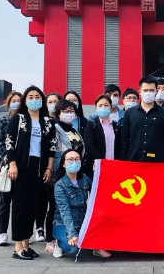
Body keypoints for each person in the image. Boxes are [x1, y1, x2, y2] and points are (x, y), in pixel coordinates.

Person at [6, 86, 56, 260]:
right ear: (25, 100)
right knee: (20, 207)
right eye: (30, 96)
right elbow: (9, 143)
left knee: (32, 206)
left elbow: (52, 147)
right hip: (21, 167)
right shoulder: (19, 118)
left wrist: (49, 168)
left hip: (39, 168)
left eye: (37, 96)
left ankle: (26, 244)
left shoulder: (47, 121)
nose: (34, 99)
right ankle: (18, 247)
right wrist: (12, 164)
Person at [53, 149, 111, 258]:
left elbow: (97, 190)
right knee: (72, 248)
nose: (74, 162)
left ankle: (94, 247)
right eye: (70, 160)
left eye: (77, 159)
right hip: (64, 224)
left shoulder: (84, 178)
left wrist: (96, 172)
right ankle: (58, 243)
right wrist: (72, 234)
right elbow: (65, 211)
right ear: (63, 164)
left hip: (82, 221)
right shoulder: (60, 185)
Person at [44, 99, 85, 253]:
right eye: (65, 111)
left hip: (73, 172)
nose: (69, 114)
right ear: (58, 112)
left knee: (69, 204)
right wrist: (51, 169)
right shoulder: (54, 127)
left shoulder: (73, 130)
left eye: (71, 111)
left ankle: (68, 234)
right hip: (58, 172)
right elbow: (50, 150)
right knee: (54, 206)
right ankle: (51, 239)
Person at [121, 76, 164, 162]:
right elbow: (125, 139)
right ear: (140, 92)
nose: (148, 93)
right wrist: (124, 161)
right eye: (145, 90)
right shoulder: (130, 113)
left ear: (156, 91)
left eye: (151, 90)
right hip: (134, 161)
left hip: (158, 162)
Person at [0, 90, 22, 246]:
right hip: (6, 165)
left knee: (20, 203)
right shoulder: (3, 120)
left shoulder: (26, 121)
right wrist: (10, 158)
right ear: (8, 103)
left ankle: (19, 234)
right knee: (4, 201)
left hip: (23, 166)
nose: (16, 103)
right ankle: (2, 233)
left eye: (19, 100)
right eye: (13, 101)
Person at [35, 93, 62, 244]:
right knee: (41, 199)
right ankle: (39, 228)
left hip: (57, 167)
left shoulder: (63, 121)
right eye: (50, 101)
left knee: (53, 202)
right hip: (42, 166)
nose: (53, 104)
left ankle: (52, 232)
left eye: (55, 101)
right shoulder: (42, 121)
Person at [84, 94, 121, 179]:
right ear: (96, 108)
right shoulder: (91, 124)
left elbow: (119, 146)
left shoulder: (116, 126)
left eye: (106, 105)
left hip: (114, 166)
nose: (103, 107)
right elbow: (89, 146)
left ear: (110, 108)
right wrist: (102, 161)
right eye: (100, 105)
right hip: (97, 165)